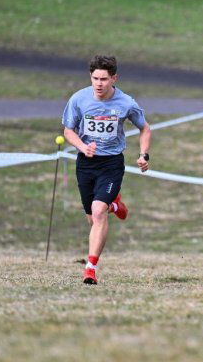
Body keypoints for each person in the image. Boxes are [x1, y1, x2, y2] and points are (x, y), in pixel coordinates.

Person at [62, 55, 150, 285]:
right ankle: (115, 205)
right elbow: (68, 130)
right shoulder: (79, 99)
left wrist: (143, 155)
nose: (99, 84)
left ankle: (90, 269)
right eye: (95, 78)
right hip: (85, 163)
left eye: (103, 79)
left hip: (111, 163)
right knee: (92, 218)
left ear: (114, 78)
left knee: (98, 211)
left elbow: (145, 128)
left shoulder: (126, 103)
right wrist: (82, 146)